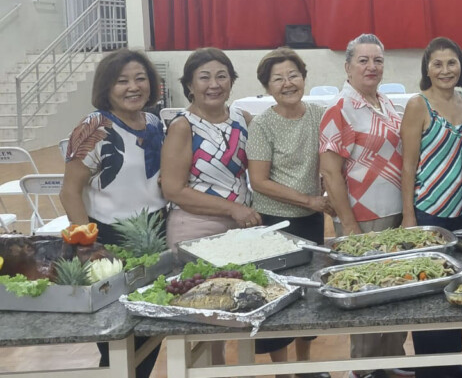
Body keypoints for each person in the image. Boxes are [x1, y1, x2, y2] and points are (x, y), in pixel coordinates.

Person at [61, 48, 166, 378]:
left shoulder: (154, 122)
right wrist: (88, 245)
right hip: (107, 239)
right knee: (115, 337)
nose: (133, 87)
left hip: (155, 236)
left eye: (140, 79)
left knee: (150, 328)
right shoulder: (93, 126)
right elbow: (69, 191)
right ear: (106, 87)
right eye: (122, 81)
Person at [161, 47, 257, 367]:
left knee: (236, 314)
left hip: (239, 230)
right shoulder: (183, 126)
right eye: (204, 78)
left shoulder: (242, 119)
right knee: (203, 320)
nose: (214, 84)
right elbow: (173, 189)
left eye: (221, 76)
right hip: (195, 228)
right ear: (189, 85)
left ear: (232, 81)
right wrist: (232, 209)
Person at [319, 34, 406, 378]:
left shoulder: (386, 103)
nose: (372, 67)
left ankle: (392, 359)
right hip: (361, 217)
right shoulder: (340, 109)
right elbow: (330, 172)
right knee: (367, 292)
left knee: (398, 288)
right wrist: (349, 224)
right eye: (363, 60)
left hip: (395, 212)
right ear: (348, 67)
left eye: (378, 60)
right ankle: (363, 368)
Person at [247, 48, 333, 378]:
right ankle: (282, 371)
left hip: (311, 220)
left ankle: (305, 366)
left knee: (309, 294)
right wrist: (308, 200)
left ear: (304, 78)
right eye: (278, 79)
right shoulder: (262, 125)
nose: (287, 83)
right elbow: (259, 181)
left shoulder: (319, 115)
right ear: (267, 87)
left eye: (293, 75)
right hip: (275, 224)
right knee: (278, 297)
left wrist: (325, 194)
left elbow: (330, 162)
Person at [400, 37, 462, 378]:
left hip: (461, 209)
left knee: (455, 284)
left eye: (452, 63)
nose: (446, 70)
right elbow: (407, 165)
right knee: (429, 288)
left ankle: (450, 363)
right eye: (438, 64)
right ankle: (428, 369)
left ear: (461, 66)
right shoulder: (418, 105)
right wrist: (408, 215)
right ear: (427, 70)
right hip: (428, 210)